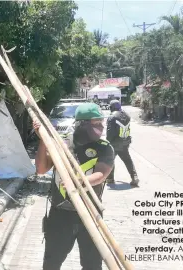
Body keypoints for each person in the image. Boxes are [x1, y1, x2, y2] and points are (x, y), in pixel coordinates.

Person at [35, 103, 115, 270]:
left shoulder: (104, 148)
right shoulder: (62, 144)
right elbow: (42, 169)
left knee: (92, 265)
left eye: (102, 122)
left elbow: (101, 174)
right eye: (96, 123)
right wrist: (43, 140)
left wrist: (78, 183)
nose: (101, 126)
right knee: (51, 263)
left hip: (91, 213)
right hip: (60, 214)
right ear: (82, 124)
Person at [105, 100, 139, 186]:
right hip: (125, 142)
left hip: (114, 143)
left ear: (111, 107)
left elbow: (110, 133)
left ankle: (110, 179)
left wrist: (107, 142)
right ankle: (134, 177)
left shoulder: (112, 117)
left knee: (110, 160)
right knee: (127, 160)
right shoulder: (126, 115)